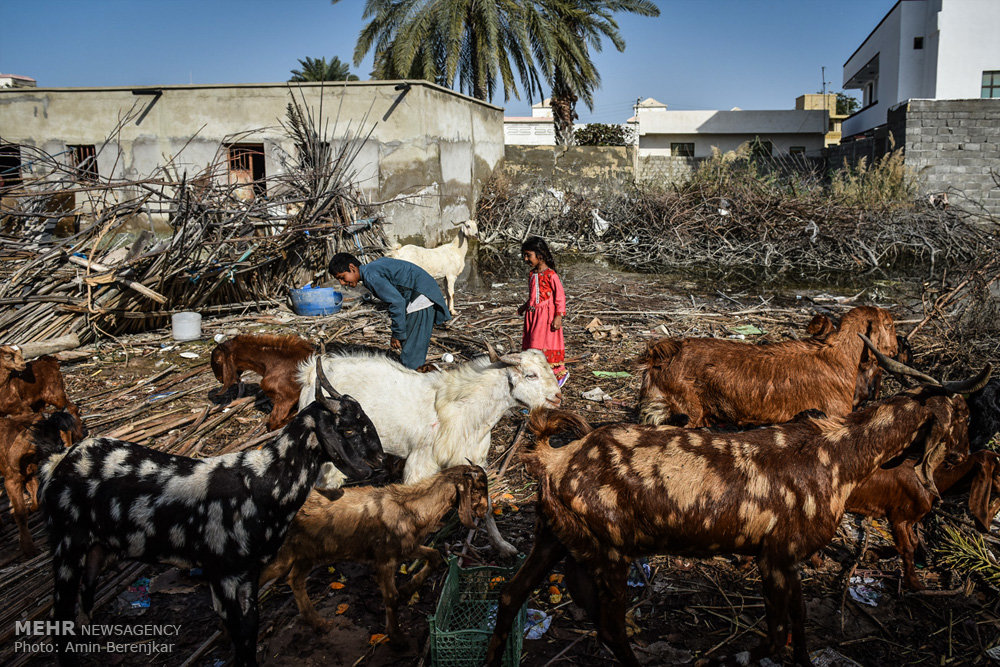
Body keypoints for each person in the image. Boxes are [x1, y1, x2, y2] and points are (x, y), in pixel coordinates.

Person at [329, 252, 450, 370]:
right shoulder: (372, 269)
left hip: (420, 297)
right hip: (419, 294)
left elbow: (397, 302)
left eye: (342, 277)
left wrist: (397, 334)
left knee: (412, 355)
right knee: (410, 343)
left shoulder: (371, 276)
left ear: (352, 267)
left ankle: (412, 378)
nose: (342, 283)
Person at [517, 236, 568, 387]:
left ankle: (559, 373)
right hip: (532, 316)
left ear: (540, 255)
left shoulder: (551, 275)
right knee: (532, 344)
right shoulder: (532, 275)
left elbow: (560, 297)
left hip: (545, 317)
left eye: (528, 255)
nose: (526, 259)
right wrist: (525, 306)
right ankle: (537, 374)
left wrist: (559, 316)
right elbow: (533, 296)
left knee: (542, 344)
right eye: (524, 256)